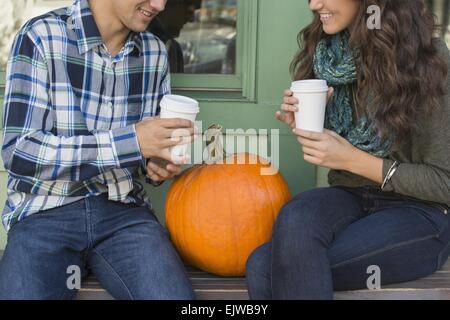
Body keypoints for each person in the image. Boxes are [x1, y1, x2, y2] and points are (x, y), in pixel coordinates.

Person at [246, 0, 450, 300]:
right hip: (351, 195)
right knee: (296, 213)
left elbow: (444, 182)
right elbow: (340, 151)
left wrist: (352, 159)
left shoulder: (427, 58)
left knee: (264, 268)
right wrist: (309, 122)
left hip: (419, 211)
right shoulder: (328, 55)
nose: (314, 4)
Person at [0, 0, 198, 300]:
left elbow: (145, 159)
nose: (159, 4)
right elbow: (20, 153)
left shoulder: (155, 53)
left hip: (125, 216)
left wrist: (158, 164)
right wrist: (132, 142)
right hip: (44, 214)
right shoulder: (41, 36)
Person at [148, 0, 202, 73]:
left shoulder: (170, 46)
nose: (191, 19)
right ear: (170, 5)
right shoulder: (162, 46)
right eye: (188, 12)